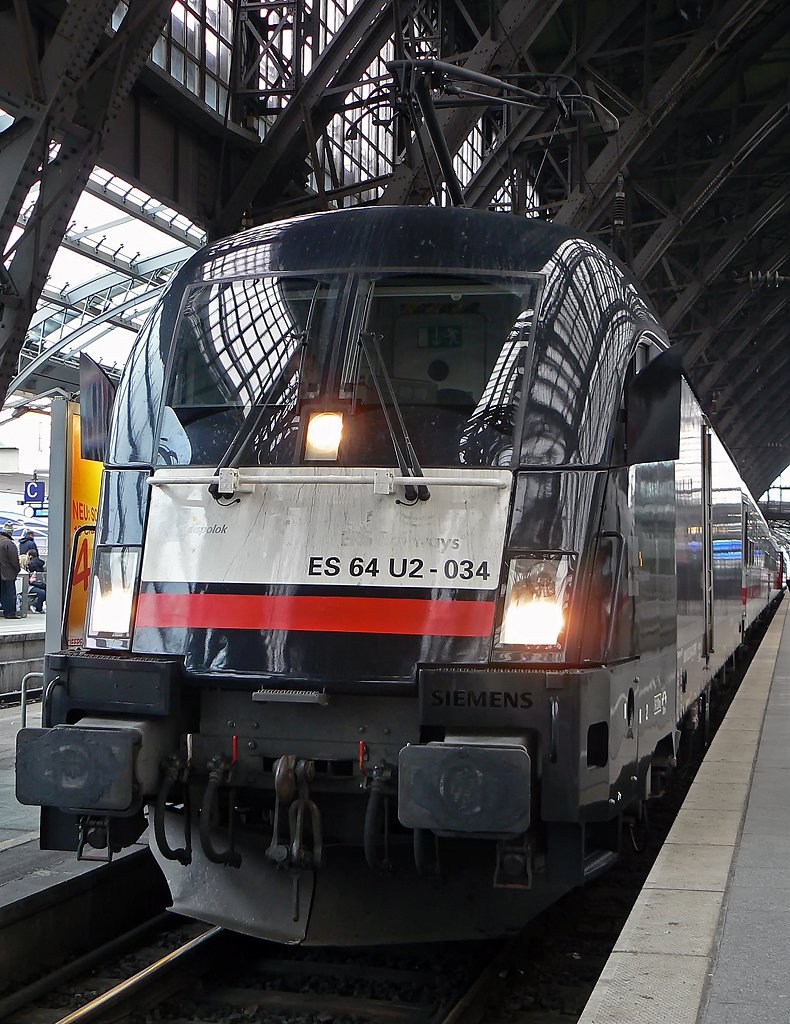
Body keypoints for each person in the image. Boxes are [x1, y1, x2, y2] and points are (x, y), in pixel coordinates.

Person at [0, 523, 20, 618]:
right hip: (7, 574)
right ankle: (10, 613)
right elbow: (14, 560)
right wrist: (17, 569)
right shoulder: (9, 544)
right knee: (9, 595)